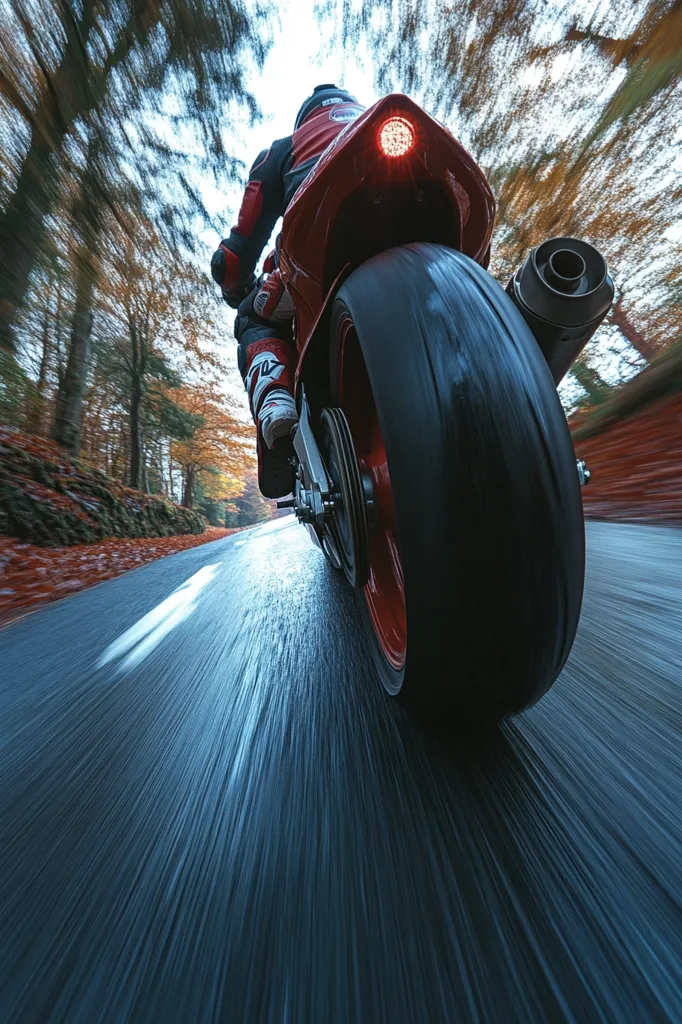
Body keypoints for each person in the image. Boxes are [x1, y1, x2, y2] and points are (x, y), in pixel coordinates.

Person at [211, 85, 365, 497]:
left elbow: (234, 256)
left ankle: (277, 400)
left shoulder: (285, 148)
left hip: (320, 261)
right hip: (429, 240)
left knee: (251, 314)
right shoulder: (380, 119)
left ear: (306, 116)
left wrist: (236, 286)